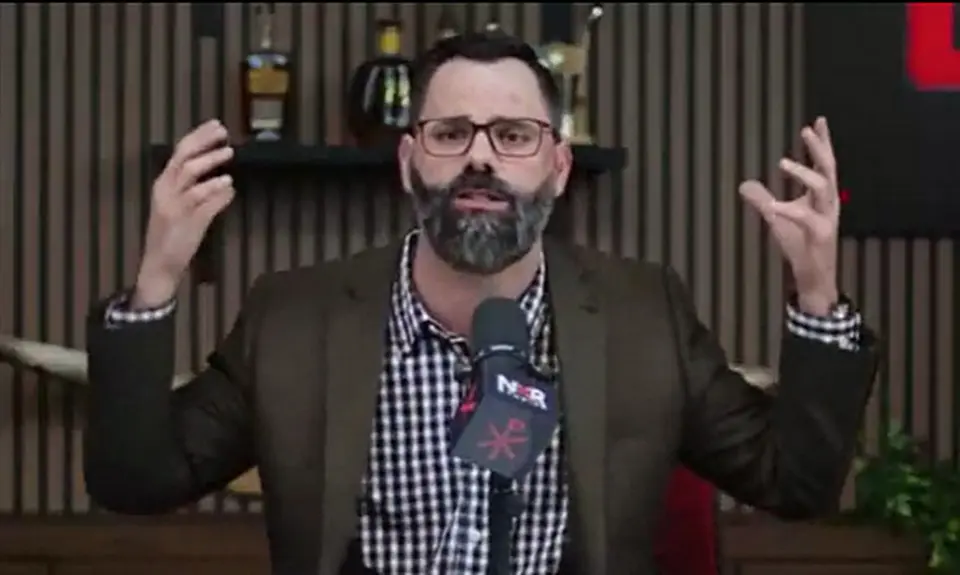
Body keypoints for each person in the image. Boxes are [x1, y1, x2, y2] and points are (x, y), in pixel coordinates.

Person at [84, 31, 879, 575]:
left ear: (559, 167)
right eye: (451, 132)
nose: (480, 159)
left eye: (513, 135)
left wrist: (817, 296)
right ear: (407, 162)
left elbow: (795, 484)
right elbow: (134, 479)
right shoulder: (294, 317)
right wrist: (155, 279)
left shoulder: (645, 314)